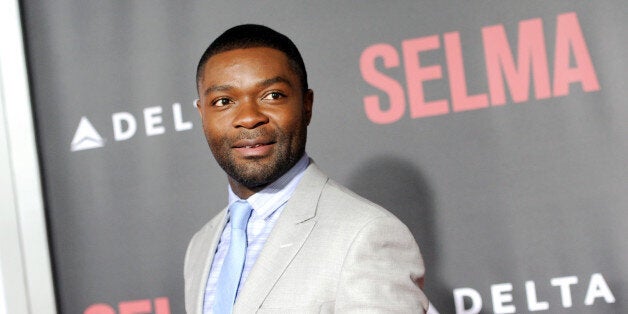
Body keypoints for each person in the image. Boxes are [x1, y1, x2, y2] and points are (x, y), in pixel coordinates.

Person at [184, 24, 429, 313]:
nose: (249, 118)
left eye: (272, 95)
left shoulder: (365, 234)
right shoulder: (201, 246)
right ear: (202, 114)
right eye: (223, 101)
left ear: (307, 105)